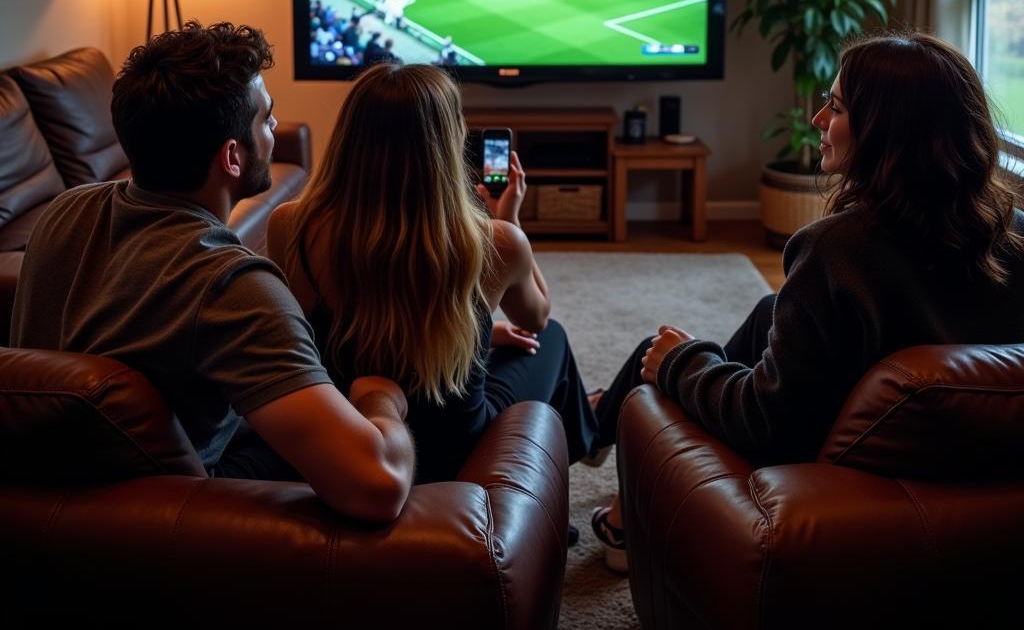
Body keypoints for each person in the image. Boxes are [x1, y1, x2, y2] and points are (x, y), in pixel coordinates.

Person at [590, 31, 1024, 571]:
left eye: (835, 107)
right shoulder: (1011, 237)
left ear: (887, 132)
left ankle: (615, 484)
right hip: (953, 465)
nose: (818, 120)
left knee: (655, 361)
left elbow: (765, 422)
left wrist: (681, 364)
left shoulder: (837, 252)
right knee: (769, 313)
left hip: (832, 472)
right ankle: (600, 420)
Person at [10, 21, 415, 523]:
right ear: (230, 156)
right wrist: (381, 399)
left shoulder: (65, 211)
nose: (273, 132)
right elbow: (379, 486)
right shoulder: (231, 285)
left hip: (58, 496)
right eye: (267, 120)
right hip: (176, 521)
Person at [266, 63, 600, 486]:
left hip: (347, 435)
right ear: (448, 139)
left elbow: (318, 333)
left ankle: (586, 435)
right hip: (454, 451)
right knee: (551, 339)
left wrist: (481, 333)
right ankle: (580, 447)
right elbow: (536, 316)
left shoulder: (288, 225)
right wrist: (511, 221)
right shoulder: (496, 241)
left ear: (349, 136)